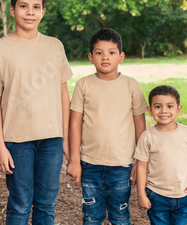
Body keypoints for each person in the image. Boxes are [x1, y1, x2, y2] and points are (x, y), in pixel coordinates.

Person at [0, 0, 72, 225]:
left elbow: (64, 94)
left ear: (43, 11)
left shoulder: (54, 46)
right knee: (20, 203)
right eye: (23, 6)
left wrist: (66, 138)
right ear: (12, 9)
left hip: (51, 139)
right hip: (16, 141)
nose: (30, 12)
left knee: (46, 204)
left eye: (36, 7)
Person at [67, 28, 147, 225]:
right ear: (90, 57)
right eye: (99, 52)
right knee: (92, 216)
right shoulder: (83, 85)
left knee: (120, 216)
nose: (105, 57)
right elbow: (75, 124)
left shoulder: (132, 86)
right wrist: (75, 161)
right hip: (89, 164)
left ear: (121, 57)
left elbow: (140, 126)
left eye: (111, 52)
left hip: (122, 165)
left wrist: (140, 161)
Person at [134, 85, 187, 225]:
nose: (164, 110)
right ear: (150, 110)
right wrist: (141, 194)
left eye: (169, 106)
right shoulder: (147, 137)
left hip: (183, 193)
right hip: (157, 194)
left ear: (178, 109)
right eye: (158, 106)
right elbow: (141, 167)